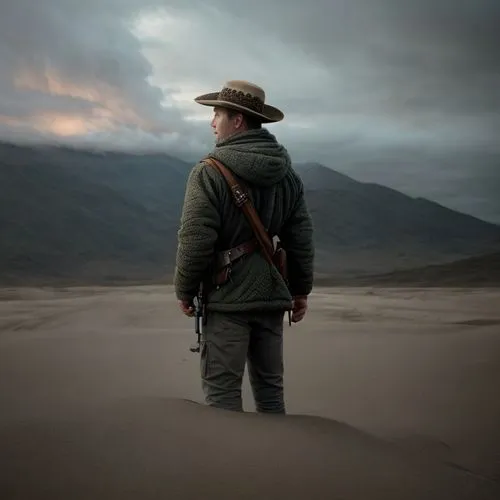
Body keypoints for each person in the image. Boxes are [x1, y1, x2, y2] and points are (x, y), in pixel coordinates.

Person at [174, 80, 314, 414]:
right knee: (270, 394)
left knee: (222, 398)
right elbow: (301, 237)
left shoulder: (208, 173)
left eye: (217, 115)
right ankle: (276, 464)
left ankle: (228, 465)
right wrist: (300, 290)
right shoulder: (287, 175)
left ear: (237, 120)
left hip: (227, 300)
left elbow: (195, 238)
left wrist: (184, 289)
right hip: (270, 298)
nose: (212, 124)